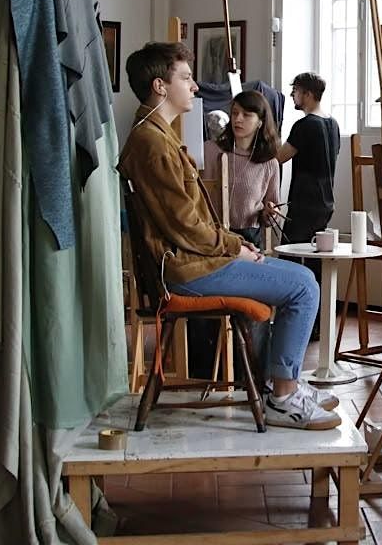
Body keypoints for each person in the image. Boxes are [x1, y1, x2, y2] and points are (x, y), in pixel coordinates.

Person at [117, 42, 340, 430]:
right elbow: (186, 227)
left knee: (301, 279)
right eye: (186, 78)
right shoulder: (153, 144)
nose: (195, 86)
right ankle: (283, 397)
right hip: (187, 271)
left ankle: (280, 386)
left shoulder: (157, 137)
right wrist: (234, 247)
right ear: (160, 86)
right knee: (304, 286)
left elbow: (190, 221)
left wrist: (237, 245)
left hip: (194, 261)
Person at [203, 90, 282, 250]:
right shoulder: (210, 150)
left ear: (260, 122)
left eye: (246, 115)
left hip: (250, 237)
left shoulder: (269, 163)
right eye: (235, 113)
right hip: (213, 236)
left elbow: (273, 213)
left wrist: (270, 213)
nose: (238, 119)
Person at [276, 72, 340, 250]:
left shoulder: (305, 125)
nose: (292, 95)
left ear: (308, 94)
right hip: (326, 204)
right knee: (315, 256)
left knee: (290, 254)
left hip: (304, 205)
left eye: (295, 90)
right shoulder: (333, 124)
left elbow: (279, 158)